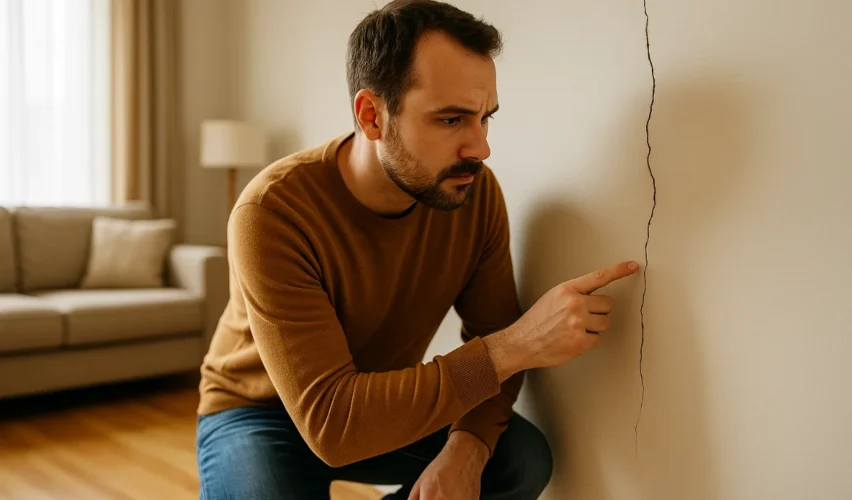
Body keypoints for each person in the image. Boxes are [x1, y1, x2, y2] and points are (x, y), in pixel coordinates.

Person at [195, 0, 639, 498]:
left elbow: (490, 339)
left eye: (484, 117)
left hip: (376, 404)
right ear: (372, 116)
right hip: (258, 413)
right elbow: (334, 426)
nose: (480, 147)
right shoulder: (271, 212)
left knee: (518, 456)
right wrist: (518, 344)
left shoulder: (474, 193)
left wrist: (467, 447)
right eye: (451, 120)